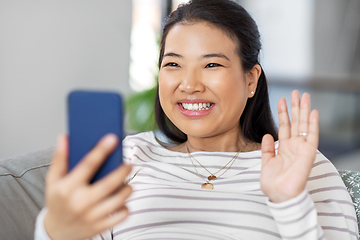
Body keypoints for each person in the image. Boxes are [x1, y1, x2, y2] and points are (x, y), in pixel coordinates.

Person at [35, 0, 358, 239]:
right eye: (173, 65)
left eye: (212, 65)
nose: (188, 84)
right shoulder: (130, 156)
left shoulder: (301, 165)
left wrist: (288, 202)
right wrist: (57, 229)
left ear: (250, 80)